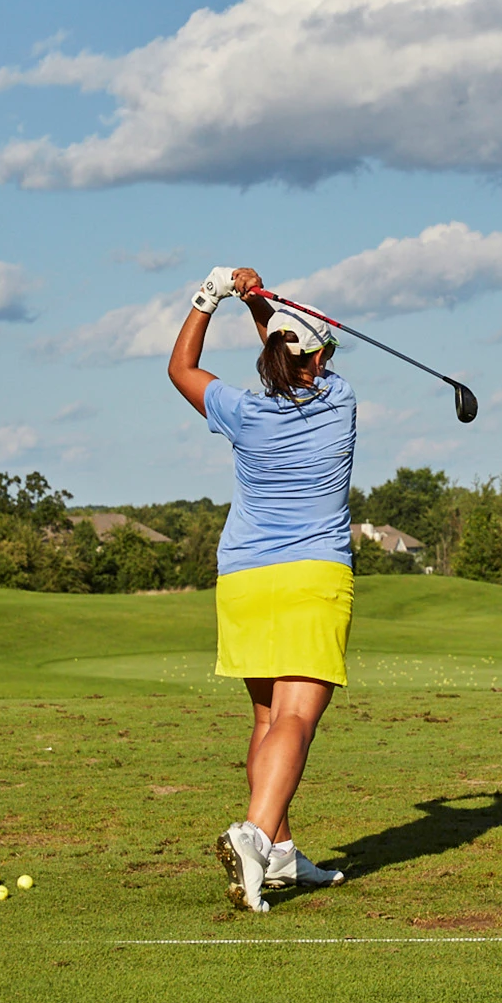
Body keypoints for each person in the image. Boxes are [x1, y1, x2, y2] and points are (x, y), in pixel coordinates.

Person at [168, 265, 356, 913]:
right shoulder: (339, 400)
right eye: (325, 346)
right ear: (317, 356)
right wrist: (260, 303)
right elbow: (291, 350)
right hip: (312, 577)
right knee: (298, 718)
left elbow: (182, 368)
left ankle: (277, 852)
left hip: (245, 578)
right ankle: (252, 835)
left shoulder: (242, 411)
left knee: (268, 719)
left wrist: (213, 297)